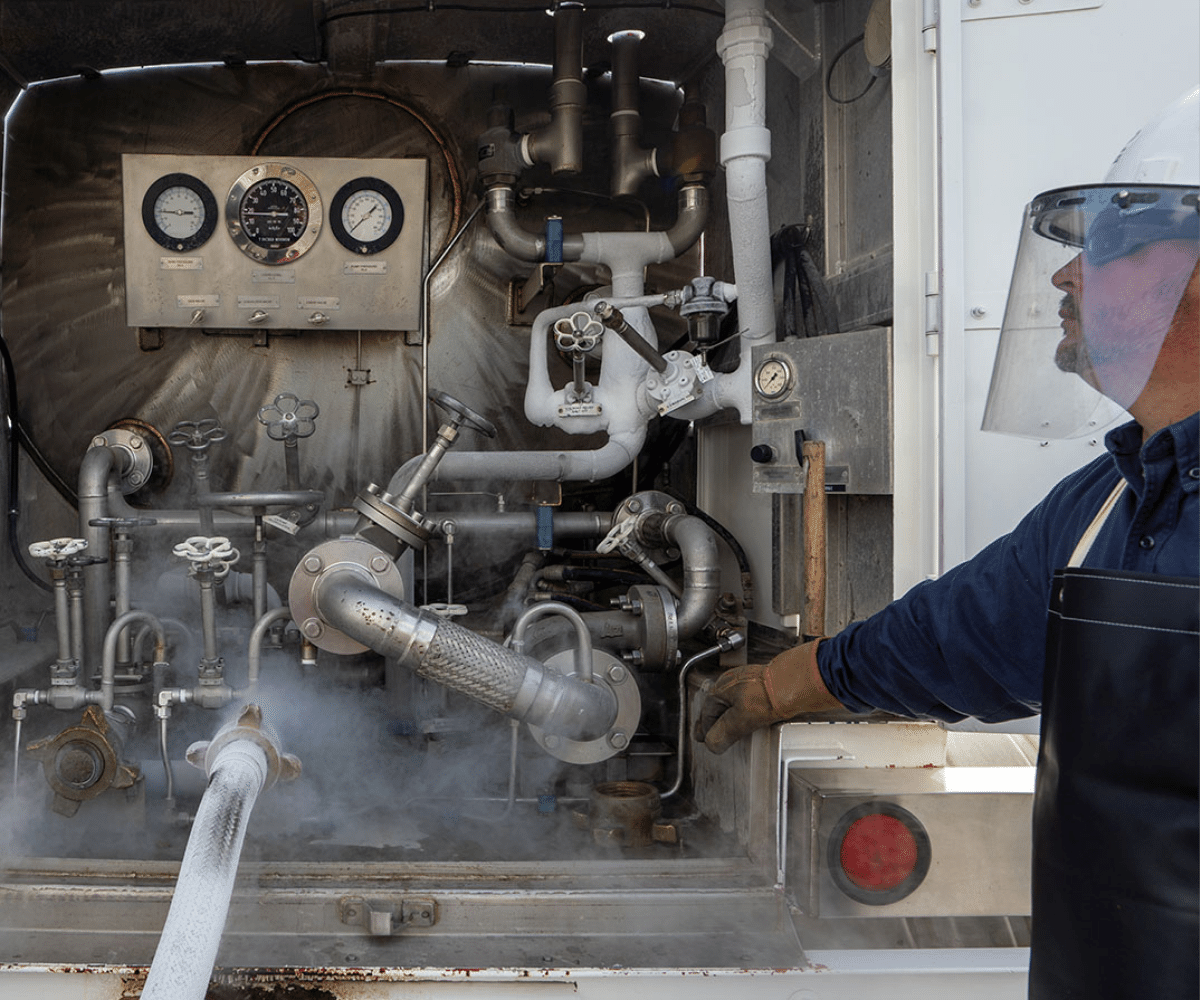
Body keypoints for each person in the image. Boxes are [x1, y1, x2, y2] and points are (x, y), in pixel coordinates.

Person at [696, 87, 1199, 998]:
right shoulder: (1110, 502)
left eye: (1110, 245)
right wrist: (782, 684)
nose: (1065, 275)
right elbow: (954, 635)